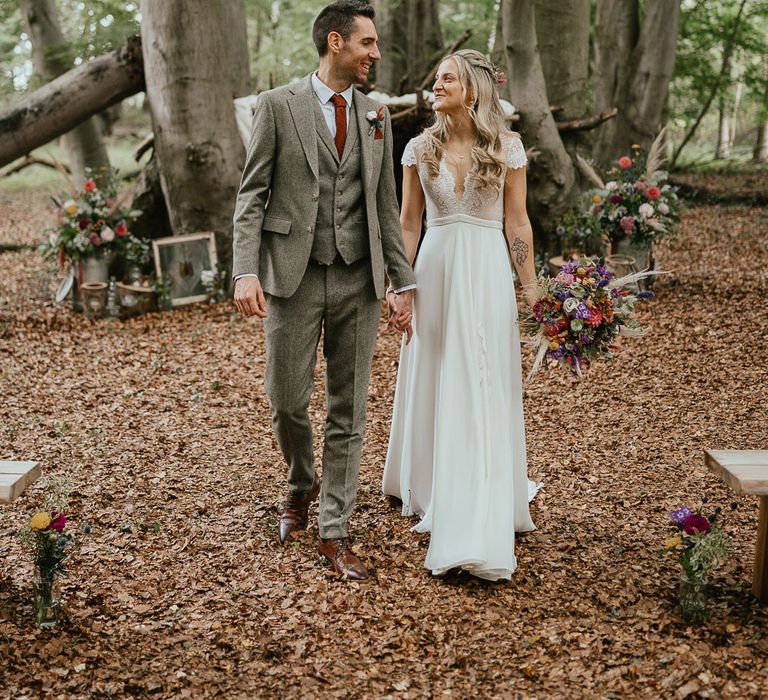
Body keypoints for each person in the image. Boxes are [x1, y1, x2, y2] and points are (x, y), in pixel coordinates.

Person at [232, 0, 415, 581]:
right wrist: (244, 270)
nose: (375, 54)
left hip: (358, 276)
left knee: (349, 406)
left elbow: (386, 205)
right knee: (286, 399)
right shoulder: (278, 106)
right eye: (367, 43)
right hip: (293, 274)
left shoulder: (377, 116)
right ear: (335, 43)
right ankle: (300, 483)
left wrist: (401, 281)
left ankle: (334, 529)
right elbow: (251, 194)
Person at [382, 49, 539, 581]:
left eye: (446, 78)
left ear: (472, 88)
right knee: (436, 368)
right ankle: (430, 483)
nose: (436, 86)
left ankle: (482, 492)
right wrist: (399, 285)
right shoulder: (418, 148)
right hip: (435, 269)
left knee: (481, 374)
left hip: (487, 270)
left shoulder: (508, 147)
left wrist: (533, 290)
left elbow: (517, 225)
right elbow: (408, 223)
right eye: (436, 79)